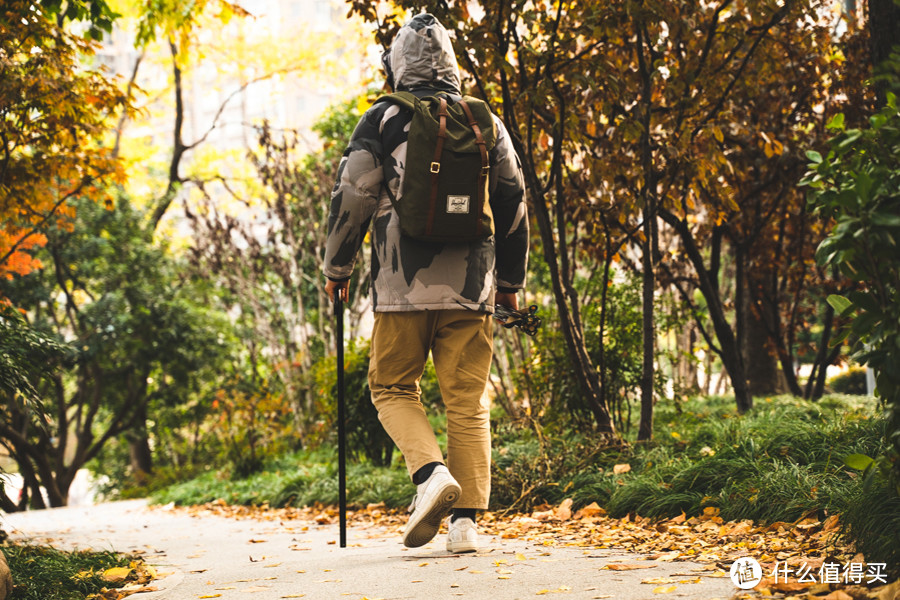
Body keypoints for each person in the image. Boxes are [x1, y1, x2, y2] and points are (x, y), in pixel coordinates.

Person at [323, 13, 528, 553]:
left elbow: (352, 197)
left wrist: (336, 270)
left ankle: (429, 474)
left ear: (397, 64)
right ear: (451, 63)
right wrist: (509, 281)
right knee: (467, 399)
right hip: (472, 284)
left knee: (391, 387)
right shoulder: (484, 120)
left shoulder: (382, 119)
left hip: (401, 285)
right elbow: (512, 199)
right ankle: (465, 528)